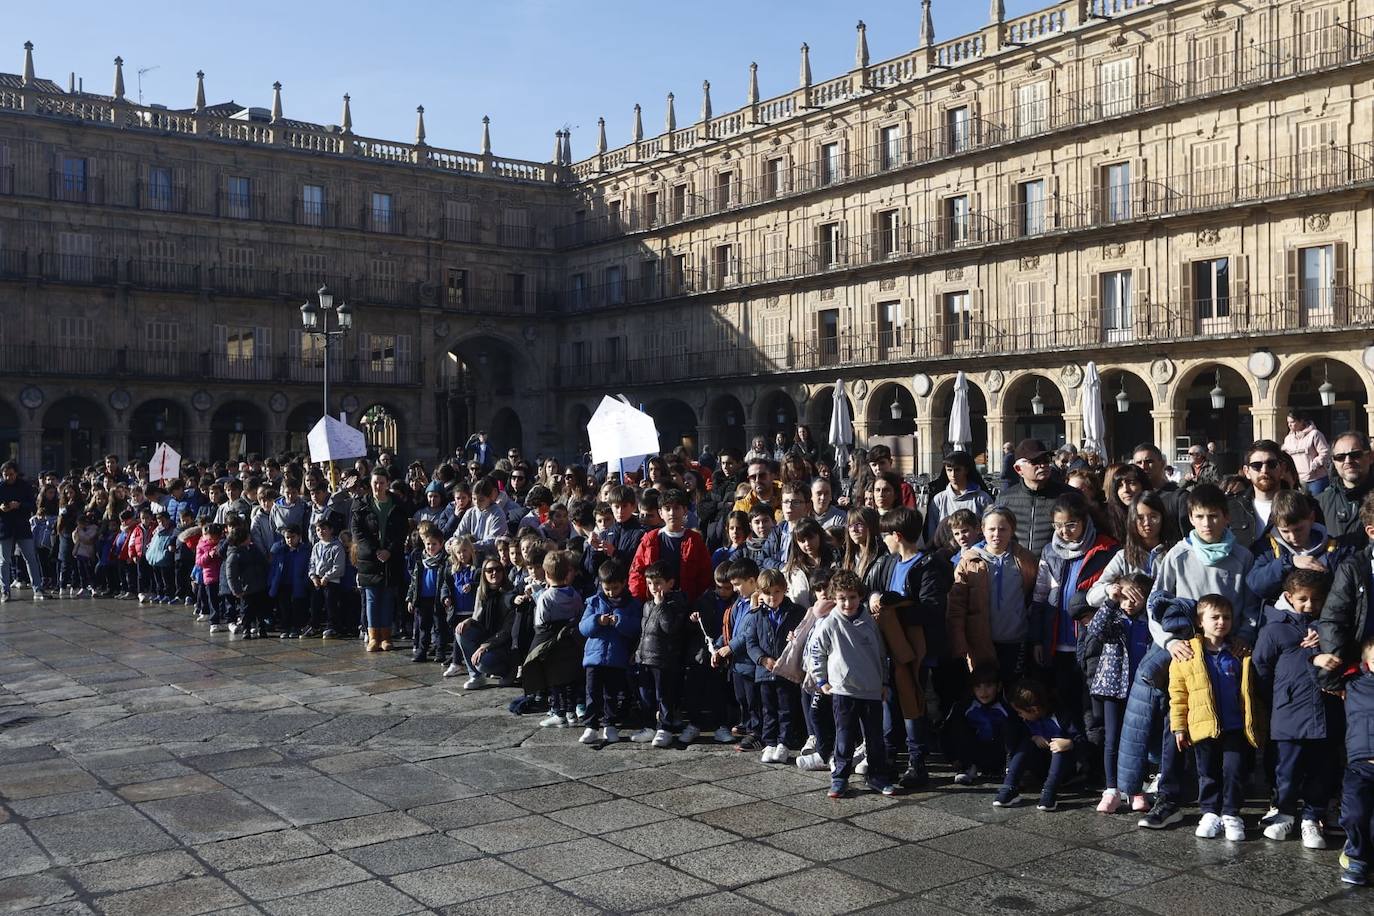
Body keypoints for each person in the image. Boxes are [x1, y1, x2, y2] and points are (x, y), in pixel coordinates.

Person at [1252, 568, 1340, 849]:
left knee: (1321, 769)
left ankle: (1312, 817)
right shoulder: (1275, 629)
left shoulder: (1330, 626)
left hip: (1325, 713)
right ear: (1289, 597)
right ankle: (1285, 812)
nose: (1310, 605)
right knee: (1286, 769)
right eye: (1303, 599)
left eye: (1316, 599)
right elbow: (1262, 667)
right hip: (1288, 713)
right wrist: (1279, 695)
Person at [1168, 594, 1265, 841]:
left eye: (1226, 617)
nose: (1221, 622)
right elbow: (1178, 695)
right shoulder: (1186, 654)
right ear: (1200, 621)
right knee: (1208, 772)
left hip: (1235, 727)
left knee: (1234, 770)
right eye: (1215, 617)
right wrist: (1179, 728)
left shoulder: (1238, 652)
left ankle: (1232, 814)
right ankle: (1210, 812)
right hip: (1202, 727)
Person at [867, 505, 949, 788]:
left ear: (898, 535)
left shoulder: (928, 565)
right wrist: (877, 598)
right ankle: (889, 756)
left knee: (913, 700)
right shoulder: (889, 562)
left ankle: (917, 761)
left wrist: (894, 608)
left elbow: (932, 608)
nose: (884, 540)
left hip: (917, 649)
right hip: (890, 646)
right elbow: (874, 590)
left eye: (886, 535)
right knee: (889, 700)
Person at [811, 568, 896, 798]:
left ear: (860, 596)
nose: (847, 603)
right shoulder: (829, 623)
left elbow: (881, 654)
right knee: (845, 737)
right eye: (841, 598)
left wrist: (884, 682)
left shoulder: (870, 623)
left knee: (875, 738)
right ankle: (840, 778)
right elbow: (816, 652)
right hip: (843, 690)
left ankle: (877, 777)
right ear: (834, 598)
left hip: (871, 690)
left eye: (852, 597)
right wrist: (821, 680)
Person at [1081, 572, 1154, 814]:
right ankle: (1111, 788)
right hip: (1113, 689)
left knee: (1137, 740)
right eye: (1125, 597)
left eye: (1136, 597)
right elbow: (1096, 629)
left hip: (1140, 689)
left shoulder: (1149, 623)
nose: (1130, 602)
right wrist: (1111, 600)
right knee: (1112, 739)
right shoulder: (1114, 620)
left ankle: (1136, 789)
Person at [947, 506, 1036, 678]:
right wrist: (959, 641)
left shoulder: (1025, 559)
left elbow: (1033, 594)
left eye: (1003, 529)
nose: (997, 534)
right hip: (981, 641)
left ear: (1012, 530)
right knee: (986, 691)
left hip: (1015, 639)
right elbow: (956, 606)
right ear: (982, 530)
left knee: (1012, 689)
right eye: (992, 529)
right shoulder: (969, 561)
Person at [577, 561, 642, 743]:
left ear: (624, 583)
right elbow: (583, 628)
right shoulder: (594, 602)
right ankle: (591, 726)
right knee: (592, 693)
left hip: (617, 658)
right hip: (594, 658)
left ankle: (610, 724)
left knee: (611, 695)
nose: (611, 592)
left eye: (615, 588)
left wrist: (619, 621)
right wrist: (597, 621)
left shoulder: (632, 605)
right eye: (607, 589)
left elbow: (635, 629)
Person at [747, 567, 807, 764]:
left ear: (785, 590)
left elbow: (803, 636)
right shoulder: (756, 615)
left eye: (777, 592)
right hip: (765, 671)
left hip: (787, 670)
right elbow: (751, 643)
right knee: (768, 708)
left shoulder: (797, 612)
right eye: (767, 593)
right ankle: (770, 742)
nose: (772, 597)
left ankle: (784, 742)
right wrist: (763, 660)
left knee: (786, 707)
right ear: (760, 593)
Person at [1246, 489, 1346, 604]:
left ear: (1311, 518)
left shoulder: (1334, 548)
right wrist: (1287, 562)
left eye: (1298, 529)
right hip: (1281, 617)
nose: (1293, 537)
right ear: (1275, 525)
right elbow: (1256, 585)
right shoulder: (1267, 548)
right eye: (1285, 531)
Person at [995, 679, 1080, 811]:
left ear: (1034, 710)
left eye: (1021, 712)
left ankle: (1049, 793)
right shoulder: (1029, 720)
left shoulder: (1062, 716)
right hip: (1041, 766)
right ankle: (1009, 787)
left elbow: (1085, 742)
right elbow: (1022, 736)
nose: (1021, 717)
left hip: (1064, 770)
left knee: (1059, 748)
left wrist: (1070, 743)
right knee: (1026, 744)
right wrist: (1034, 738)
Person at [630, 562, 690, 747]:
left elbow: (669, 628)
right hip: (645, 657)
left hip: (664, 658)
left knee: (664, 695)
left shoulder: (675, 603)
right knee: (645, 694)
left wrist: (661, 606)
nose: (653, 588)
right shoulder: (647, 605)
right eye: (649, 583)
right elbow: (644, 631)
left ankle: (665, 727)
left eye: (658, 583)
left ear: (670, 583)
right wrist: (637, 652)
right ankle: (648, 726)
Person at [352, 469, 409, 652]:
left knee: (387, 597)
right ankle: (373, 636)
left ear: (387, 483)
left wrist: (389, 551)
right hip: (370, 559)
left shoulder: (397, 504)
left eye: (382, 483)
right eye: (375, 482)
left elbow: (402, 531)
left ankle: (386, 636)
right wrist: (375, 550)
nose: (378, 486)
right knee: (371, 598)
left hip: (391, 558)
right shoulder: (360, 505)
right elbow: (358, 533)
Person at [629, 488, 711, 601]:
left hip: (687, 605)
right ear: (660, 513)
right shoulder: (650, 539)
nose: (672, 513)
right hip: (655, 604)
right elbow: (637, 572)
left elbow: (705, 574)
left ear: (685, 510)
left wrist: (699, 603)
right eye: (667, 509)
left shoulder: (695, 540)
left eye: (676, 508)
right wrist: (638, 601)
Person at [995, 439, 1073, 558]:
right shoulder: (1005, 499)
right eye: (1035, 461)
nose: (1043, 465)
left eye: (1046, 459)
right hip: (1017, 569)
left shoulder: (1068, 495)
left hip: (1056, 569)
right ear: (1018, 469)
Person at [1338, 636, 1374, 886]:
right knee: (1354, 813)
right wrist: (1316, 657)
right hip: (1361, 764)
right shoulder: (1354, 682)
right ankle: (1355, 855)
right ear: (1367, 662)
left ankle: (1364, 858)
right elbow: (1324, 677)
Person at [943, 664, 1011, 786]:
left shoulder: (1006, 708)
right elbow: (947, 731)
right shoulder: (964, 706)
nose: (983, 692)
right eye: (978, 687)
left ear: (999, 686)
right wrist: (952, 758)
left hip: (999, 753)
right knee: (959, 724)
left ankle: (1007, 768)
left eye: (989, 686)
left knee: (1011, 727)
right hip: (974, 752)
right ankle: (967, 767)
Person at [406, 523, 454, 663]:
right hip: (422, 599)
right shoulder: (420, 561)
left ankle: (440, 652)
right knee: (423, 627)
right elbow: (414, 582)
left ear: (441, 544)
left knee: (439, 627)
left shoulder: (444, 562)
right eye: (428, 544)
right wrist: (410, 598)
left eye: (434, 544)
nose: (430, 547)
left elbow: (447, 581)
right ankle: (422, 651)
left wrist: (446, 596)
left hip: (437, 599)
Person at [1317, 431, 1373, 548]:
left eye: (1355, 455)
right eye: (1340, 457)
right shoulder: (1320, 503)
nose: (1348, 461)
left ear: (1370, 457)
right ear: (1333, 462)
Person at [0, 461, 46, 602]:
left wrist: (19, 505)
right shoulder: (0, 487)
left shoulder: (25, 486)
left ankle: (37, 588)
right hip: (4, 527)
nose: (8, 477)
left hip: (22, 526)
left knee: (31, 558)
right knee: (4, 561)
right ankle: (5, 590)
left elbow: (32, 505)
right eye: (5, 475)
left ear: (16, 473)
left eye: (11, 474)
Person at [926, 451, 993, 539]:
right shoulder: (939, 499)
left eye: (957, 470)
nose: (953, 474)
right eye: (949, 470)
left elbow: (991, 526)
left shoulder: (982, 498)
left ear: (966, 470)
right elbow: (932, 531)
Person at [223, 524, 269, 640]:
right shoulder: (235, 554)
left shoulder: (254, 549)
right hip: (246, 589)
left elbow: (263, 563)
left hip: (259, 585)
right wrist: (236, 590)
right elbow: (231, 575)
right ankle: (246, 629)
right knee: (246, 611)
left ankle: (261, 628)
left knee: (261, 610)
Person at [267, 523, 310, 638]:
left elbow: (307, 567)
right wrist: (271, 582)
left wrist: (306, 581)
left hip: (298, 582)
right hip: (283, 582)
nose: (290, 540)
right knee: (284, 606)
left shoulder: (305, 550)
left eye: (292, 537)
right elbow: (275, 567)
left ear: (299, 537)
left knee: (297, 606)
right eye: (287, 537)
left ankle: (296, 627)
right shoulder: (280, 550)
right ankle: (285, 627)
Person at [1283, 409, 1331, 496]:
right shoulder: (1288, 439)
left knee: (1317, 504)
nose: (1289, 425)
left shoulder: (1315, 434)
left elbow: (1325, 452)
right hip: (1298, 479)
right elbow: (1286, 456)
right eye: (1288, 422)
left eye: (1292, 422)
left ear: (1301, 421)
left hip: (1316, 479)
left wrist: (1315, 464)